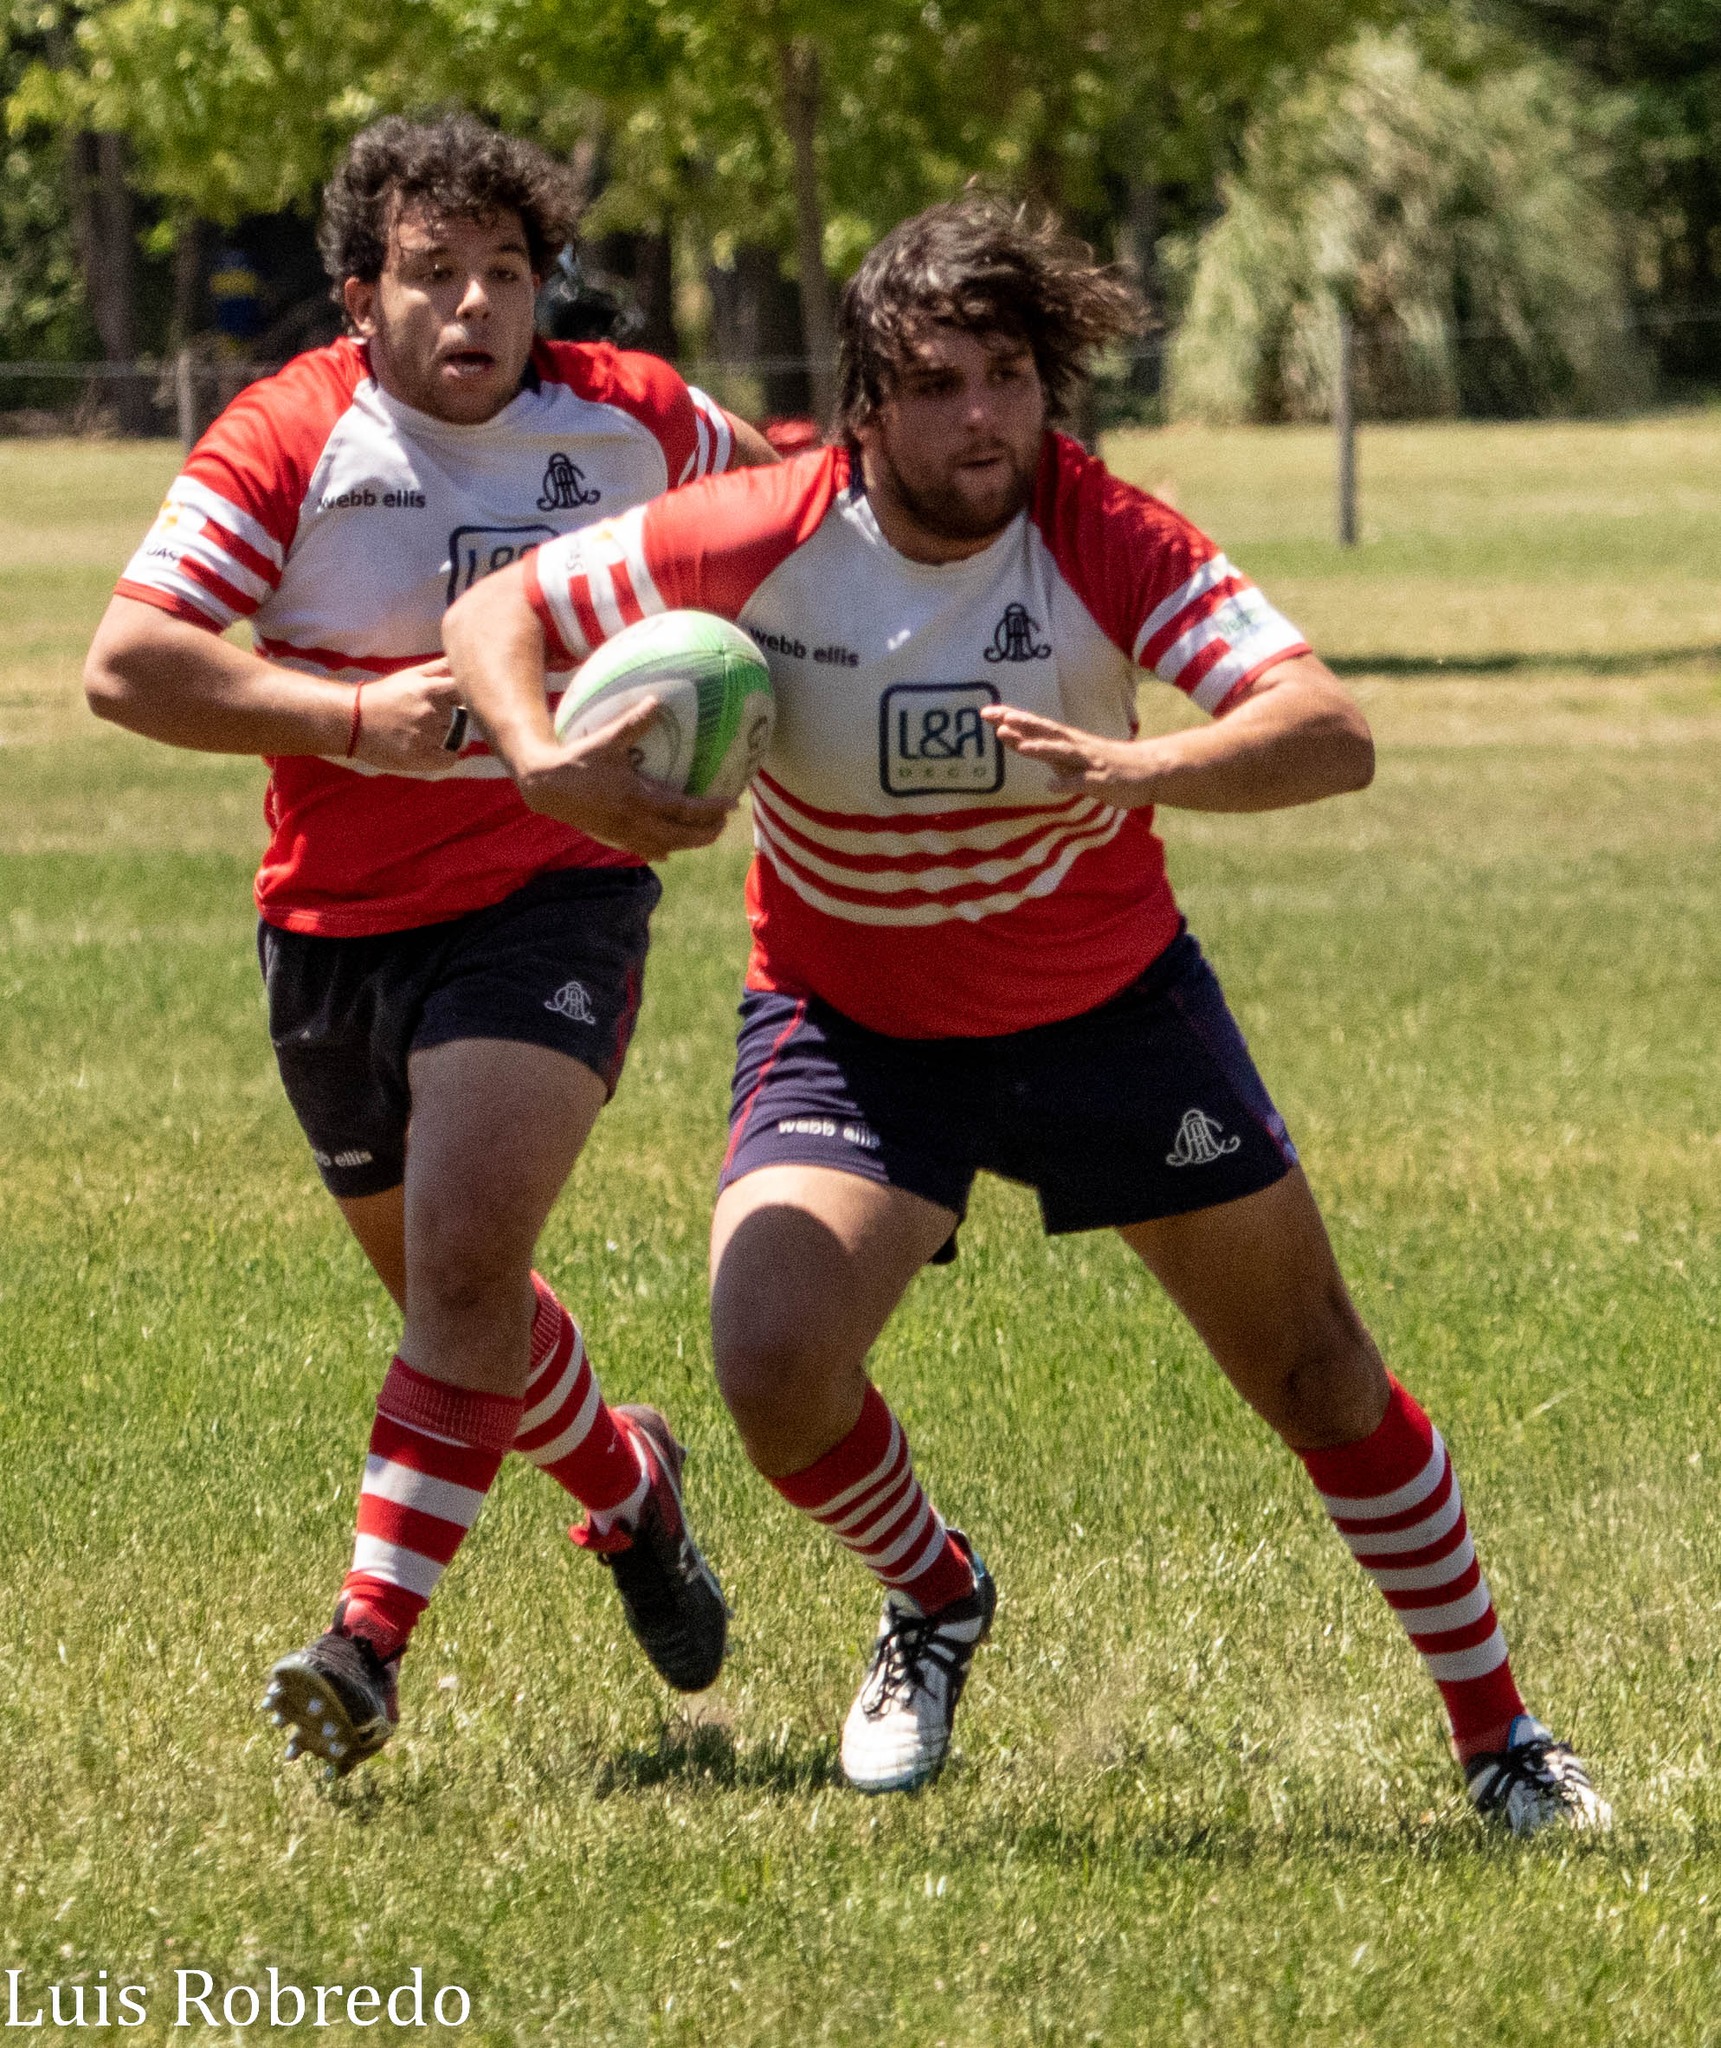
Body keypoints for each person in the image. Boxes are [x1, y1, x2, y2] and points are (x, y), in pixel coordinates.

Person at [442, 192, 1608, 1835]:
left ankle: (1497, 1734)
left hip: (1108, 1008)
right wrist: (542, 751)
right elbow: (493, 616)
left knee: (1319, 1376)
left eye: (1004, 376)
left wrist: (1146, 766)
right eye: (934, 383)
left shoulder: (1100, 529)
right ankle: (935, 1595)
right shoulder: (762, 529)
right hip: (851, 1021)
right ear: (864, 404)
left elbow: (1327, 730)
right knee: (771, 1367)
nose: (979, 418)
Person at [83, 113, 778, 1777]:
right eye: (431, 276)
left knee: (464, 1268)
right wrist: (344, 719)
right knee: (460, 1306)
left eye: (506, 276)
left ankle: (364, 1648)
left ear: (547, 291)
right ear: (358, 296)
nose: (473, 310)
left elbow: (796, 507)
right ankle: (630, 1492)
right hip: (331, 928)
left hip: (555, 890)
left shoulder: (633, 418)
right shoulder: (292, 435)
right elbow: (128, 662)